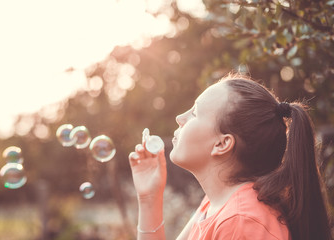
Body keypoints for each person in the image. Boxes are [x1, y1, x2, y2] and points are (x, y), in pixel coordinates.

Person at [128, 73, 332, 240]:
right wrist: (149, 198)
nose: (180, 118)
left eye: (195, 113)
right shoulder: (216, 204)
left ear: (222, 144)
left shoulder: (241, 222)